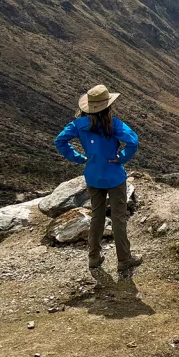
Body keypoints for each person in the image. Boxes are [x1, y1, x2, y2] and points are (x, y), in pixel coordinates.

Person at [54, 84, 143, 272]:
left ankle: (93, 258)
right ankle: (124, 259)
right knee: (118, 218)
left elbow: (60, 141)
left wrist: (78, 158)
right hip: (114, 176)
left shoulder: (78, 125)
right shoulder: (114, 124)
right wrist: (121, 158)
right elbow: (133, 141)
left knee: (97, 216)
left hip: (93, 176)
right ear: (108, 106)